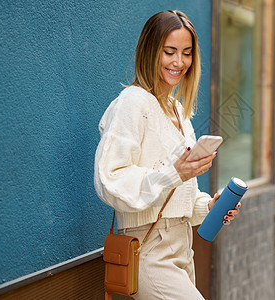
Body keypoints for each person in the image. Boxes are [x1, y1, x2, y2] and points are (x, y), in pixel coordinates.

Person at [94, 10, 241, 299]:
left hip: (182, 247)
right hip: (148, 246)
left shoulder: (177, 111)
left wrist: (208, 207)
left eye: (186, 53)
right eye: (169, 51)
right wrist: (175, 172)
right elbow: (109, 180)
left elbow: (178, 191)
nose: (179, 62)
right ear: (150, 51)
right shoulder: (132, 103)